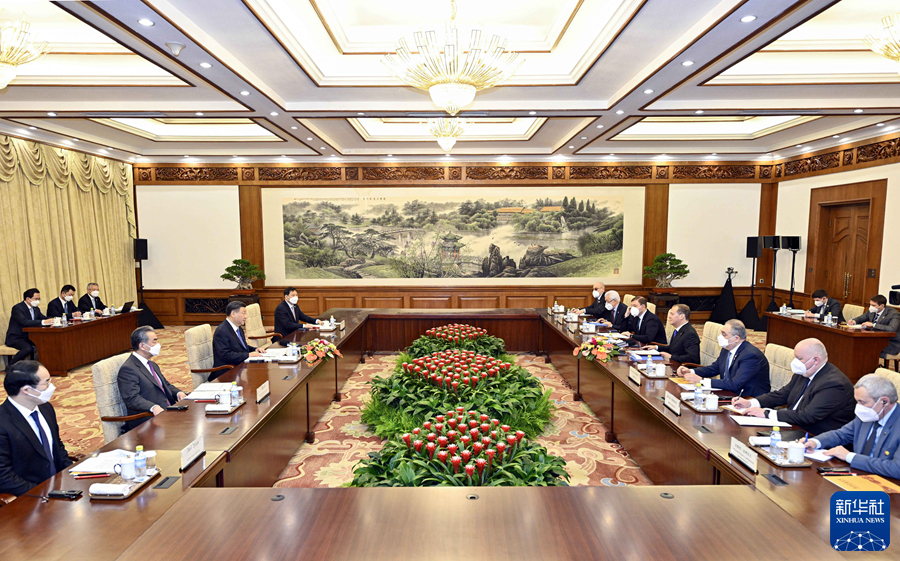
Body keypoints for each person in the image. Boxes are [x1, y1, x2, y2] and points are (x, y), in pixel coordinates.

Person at [731, 338, 855, 435]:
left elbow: (807, 416)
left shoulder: (833, 384)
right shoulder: (805, 372)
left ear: (815, 360)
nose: (795, 362)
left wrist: (767, 413)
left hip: (815, 437)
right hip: (793, 427)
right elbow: (782, 395)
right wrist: (751, 403)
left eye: (799, 358)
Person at [804, 374, 900, 479]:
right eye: (857, 401)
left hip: (887, 482)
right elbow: (841, 434)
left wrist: (850, 457)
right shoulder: (868, 415)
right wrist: (815, 442)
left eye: (862, 402)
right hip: (858, 476)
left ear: (884, 401)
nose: (858, 407)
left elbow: (896, 469)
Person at [0, 360, 73, 496]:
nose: (52, 387)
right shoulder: (3, 422)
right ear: (27, 390)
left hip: (59, 487)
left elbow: (57, 447)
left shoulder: (46, 408)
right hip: (28, 496)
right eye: (46, 383)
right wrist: (43, 494)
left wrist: (72, 474)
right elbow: (3, 475)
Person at [117, 326, 187, 433]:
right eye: (154, 341)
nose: (158, 345)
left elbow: (165, 385)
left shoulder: (152, 364)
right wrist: (153, 407)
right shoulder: (128, 369)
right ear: (142, 346)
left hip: (169, 411)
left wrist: (178, 393)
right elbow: (132, 399)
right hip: (148, 419)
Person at [678, 319, 770, 396]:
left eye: (724, 334)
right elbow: (715, 368)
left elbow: (735, 384)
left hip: (746, 398)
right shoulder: (727, 348)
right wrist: (691, 371)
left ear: (736, 338)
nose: (720, 337)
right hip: (728, 393)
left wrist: (701, 381)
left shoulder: (751, 356)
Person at [212, 301, 263, 379]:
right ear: (233, 313)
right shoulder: (222, 331)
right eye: (243, 313)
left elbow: (241, 346)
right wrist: (248, 355)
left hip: (239, 367)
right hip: (226, 372)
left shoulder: (238, 328)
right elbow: (226, 355)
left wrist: (254, 349)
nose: (246, 316)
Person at [5, 289, 53, 366]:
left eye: (39, 299)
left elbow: (43, 318)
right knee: (28, 348)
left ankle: (43, 365)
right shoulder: (17, 308)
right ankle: (10, 366)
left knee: (46, 343)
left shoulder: (36, 308)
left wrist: (54, 320)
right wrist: (43, 322)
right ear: (28, 299)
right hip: (16, 337)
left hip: (30, 336)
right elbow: (24, 322)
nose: (38, 301)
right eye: (36, 299)